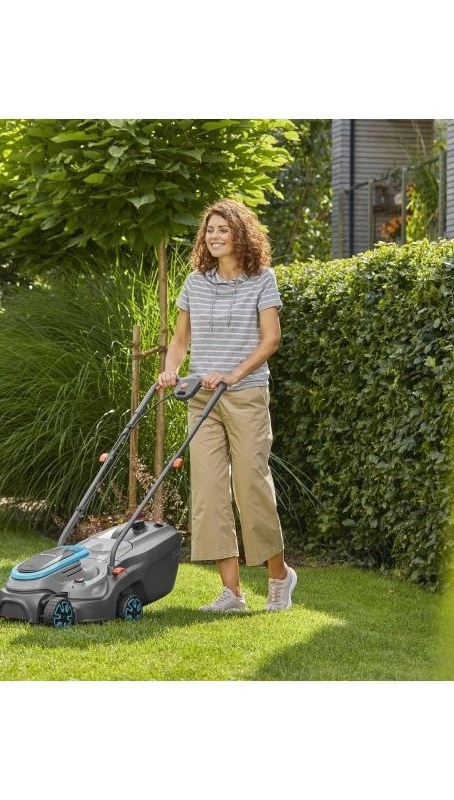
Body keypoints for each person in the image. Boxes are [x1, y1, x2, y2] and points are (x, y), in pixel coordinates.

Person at [158, 198, 297, 613]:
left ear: (241, 234)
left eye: (223, 229)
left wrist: (234, 374)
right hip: (201, 396)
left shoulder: (262, 279)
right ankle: (232, 592)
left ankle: (279, 576)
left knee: (251, 486)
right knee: (209, 491)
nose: (214, 236)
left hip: (245, 394)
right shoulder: (195, 282)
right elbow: (180, 340)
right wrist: (170, 370)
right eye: (209, 230)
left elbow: (271, 339)